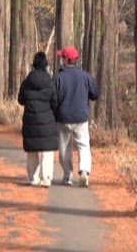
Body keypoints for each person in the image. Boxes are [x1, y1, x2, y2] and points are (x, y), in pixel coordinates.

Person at [54, 45, 99, 187]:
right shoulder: (85, 76)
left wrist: (55, 111)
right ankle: (84, 171)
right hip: (81, 117)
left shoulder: (58, 78)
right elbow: (95, 94)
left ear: (66, 60)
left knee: (64, 147)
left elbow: (53, 98)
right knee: (83, 145)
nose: (61, 60)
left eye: (62, 57)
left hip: (63, 118)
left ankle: (67, 175)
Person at [18, 52, 59, 188]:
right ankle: (46, 177)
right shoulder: (50, 82)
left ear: (33, 65)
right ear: (45, 65)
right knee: (47, 151)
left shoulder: (27, 82)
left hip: (30, 120)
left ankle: (33, 178)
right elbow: (55, 102)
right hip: (47, 120)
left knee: (32, 150)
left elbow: (20, 100)